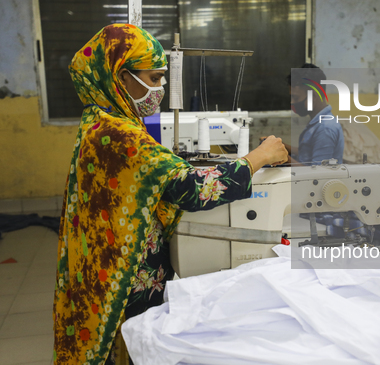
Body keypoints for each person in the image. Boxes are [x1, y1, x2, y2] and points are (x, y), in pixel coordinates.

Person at [52, 24, 288, 365]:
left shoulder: (99, 119)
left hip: (104, 256)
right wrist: (259, 157)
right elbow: (192, 189)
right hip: (122, 271)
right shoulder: (118, 133)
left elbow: (152, 174)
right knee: (125, 347)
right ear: (121, 77)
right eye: (154, 77)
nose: (160, 88)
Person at [264, 63, 344, 165]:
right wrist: (279, 145)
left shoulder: (325, 128)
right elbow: (306, 152)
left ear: (313, 96)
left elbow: (316, 174)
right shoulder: (317, 122)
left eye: (296, 98)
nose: (292, 102)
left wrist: (284, 157)